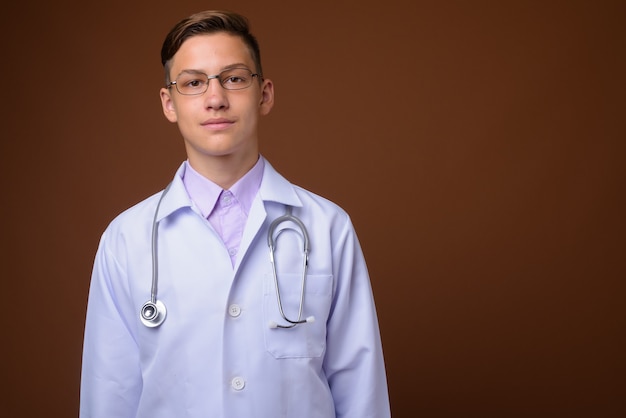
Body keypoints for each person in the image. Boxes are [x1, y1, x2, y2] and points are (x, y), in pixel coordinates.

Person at [80, 10, 390, 418]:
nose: (215, 98)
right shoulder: (126, 239)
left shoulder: (328, 227)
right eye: (193, 83)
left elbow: (361, 389)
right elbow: (109, 395)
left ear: (264, 94)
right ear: (168, 103)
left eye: (235, 78)